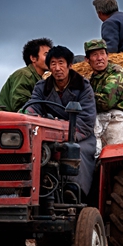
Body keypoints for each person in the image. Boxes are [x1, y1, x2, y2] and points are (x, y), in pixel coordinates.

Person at [23, 45, 97, 200]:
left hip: (77, 135)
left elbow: (87, 120)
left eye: (61, 63)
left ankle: (76, 192)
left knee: (76, 151)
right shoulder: (41, 87)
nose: (57, 68)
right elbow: (32, 109)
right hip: (45, 135)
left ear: (70, 65)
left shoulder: (83, 86)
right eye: (53, 64)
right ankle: (25, 190)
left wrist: (67, 135)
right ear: (49, 67)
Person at [84, 39, 123, 124]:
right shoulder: (94, 78)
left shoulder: (116, 72)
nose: (99, 58)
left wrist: (83, 97)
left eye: (102, 53)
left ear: (107, 55)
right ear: (87, 59)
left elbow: (106, 102)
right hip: (107, 120)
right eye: (95, 55)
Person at [0, 38, 53, 112]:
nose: (50, 59)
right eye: (46, 55)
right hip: (8, 122)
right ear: (33, 58)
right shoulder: (24, 75)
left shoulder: (40, 79)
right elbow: (20, 106)